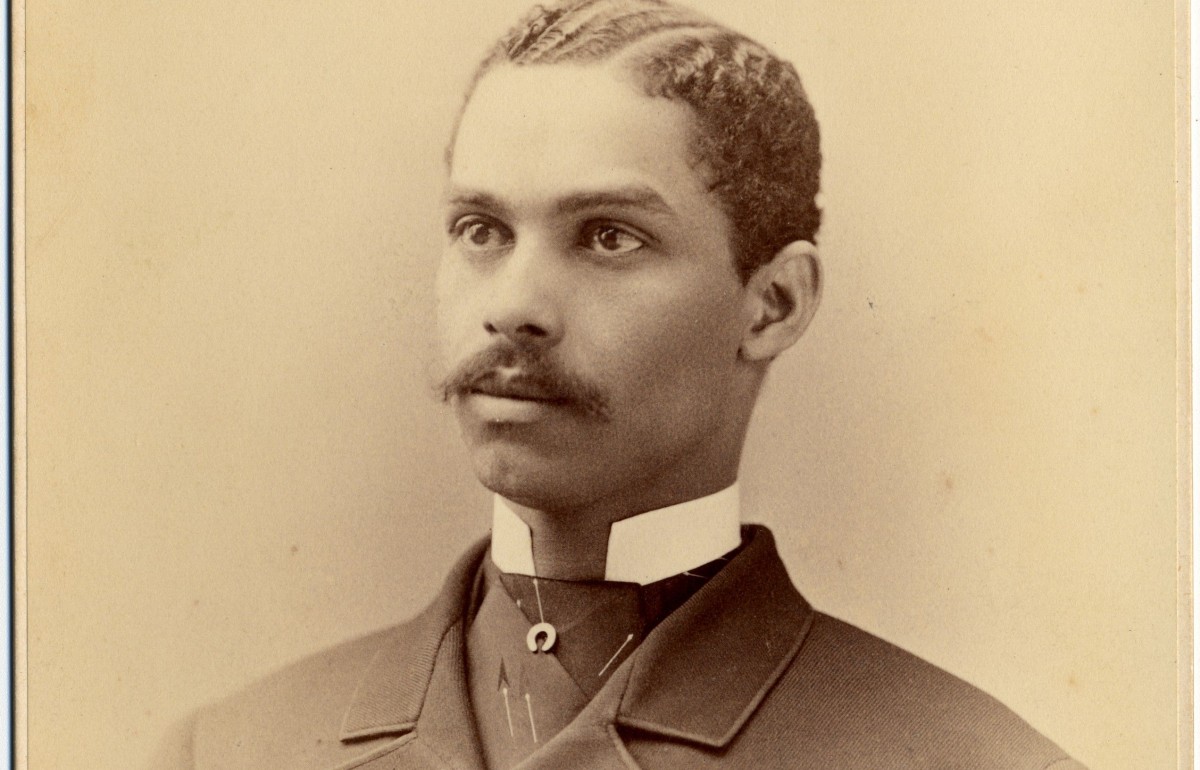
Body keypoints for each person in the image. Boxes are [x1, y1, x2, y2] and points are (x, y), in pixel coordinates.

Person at [151, 1, 1084, 767]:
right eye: (481, 229)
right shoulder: (231, 750)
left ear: (772, 306)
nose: (513, 307)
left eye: (608, 236)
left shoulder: (973, 759)